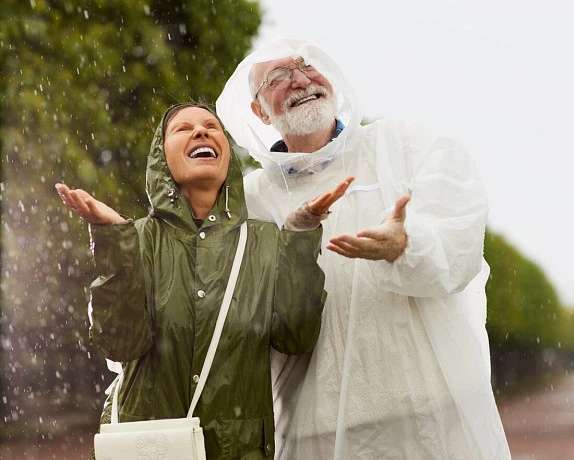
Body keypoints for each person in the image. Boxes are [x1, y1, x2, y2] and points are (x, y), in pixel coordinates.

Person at [216, 39, 511, 459]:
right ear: (260, 111)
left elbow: (460, 244)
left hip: (428, 419)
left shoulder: (402, 145)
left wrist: (407, 245)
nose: (301, 80)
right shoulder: (249, 200)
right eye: (279, 76)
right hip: (313, 431)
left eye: (307, 66)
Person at [55, 102, 353, 459]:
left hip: (238, 450)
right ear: (160, 158)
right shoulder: (135, 240)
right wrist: (113, 239)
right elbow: (120, 344)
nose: (201, 131)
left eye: (212, 126)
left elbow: (296, 337)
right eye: (182, 129)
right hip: (145, 448)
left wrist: (301, 240)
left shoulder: (268, 242)